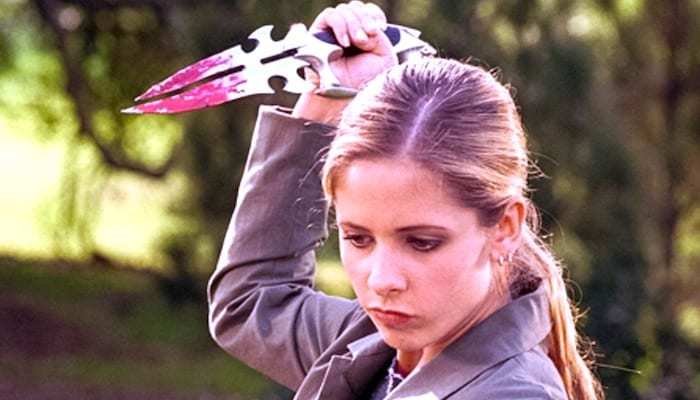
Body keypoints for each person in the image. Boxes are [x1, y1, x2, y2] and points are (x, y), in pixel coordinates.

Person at [208, 2, 603, 399]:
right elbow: (252, 301)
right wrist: (326, 100)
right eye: (358, 238)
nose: (382, 280)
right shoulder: (371, 347)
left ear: (505, 228)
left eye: (422, 242)